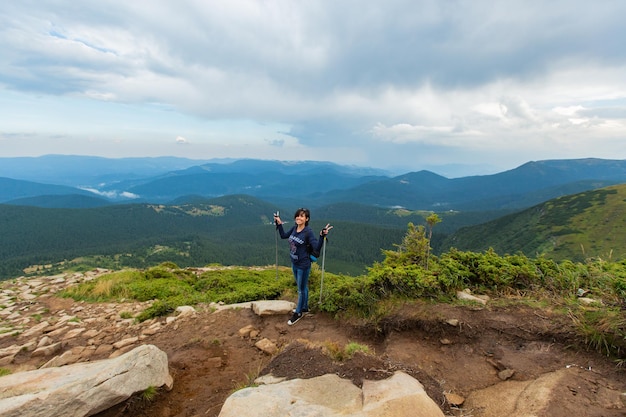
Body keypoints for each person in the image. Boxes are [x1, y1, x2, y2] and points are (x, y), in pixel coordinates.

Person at [274, 208, 332, 326]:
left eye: (302, 216)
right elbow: (283, 235)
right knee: (302, 287)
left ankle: (298, 313)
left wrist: (321, 236)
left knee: (300, 290)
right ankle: (305, 307)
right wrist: (279, 224)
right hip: (294, 263)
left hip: (303, 265)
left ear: (307, 219)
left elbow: (316, 247)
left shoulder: (308, 232)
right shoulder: (294, 228)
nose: (299, 218)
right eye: (297, 216)